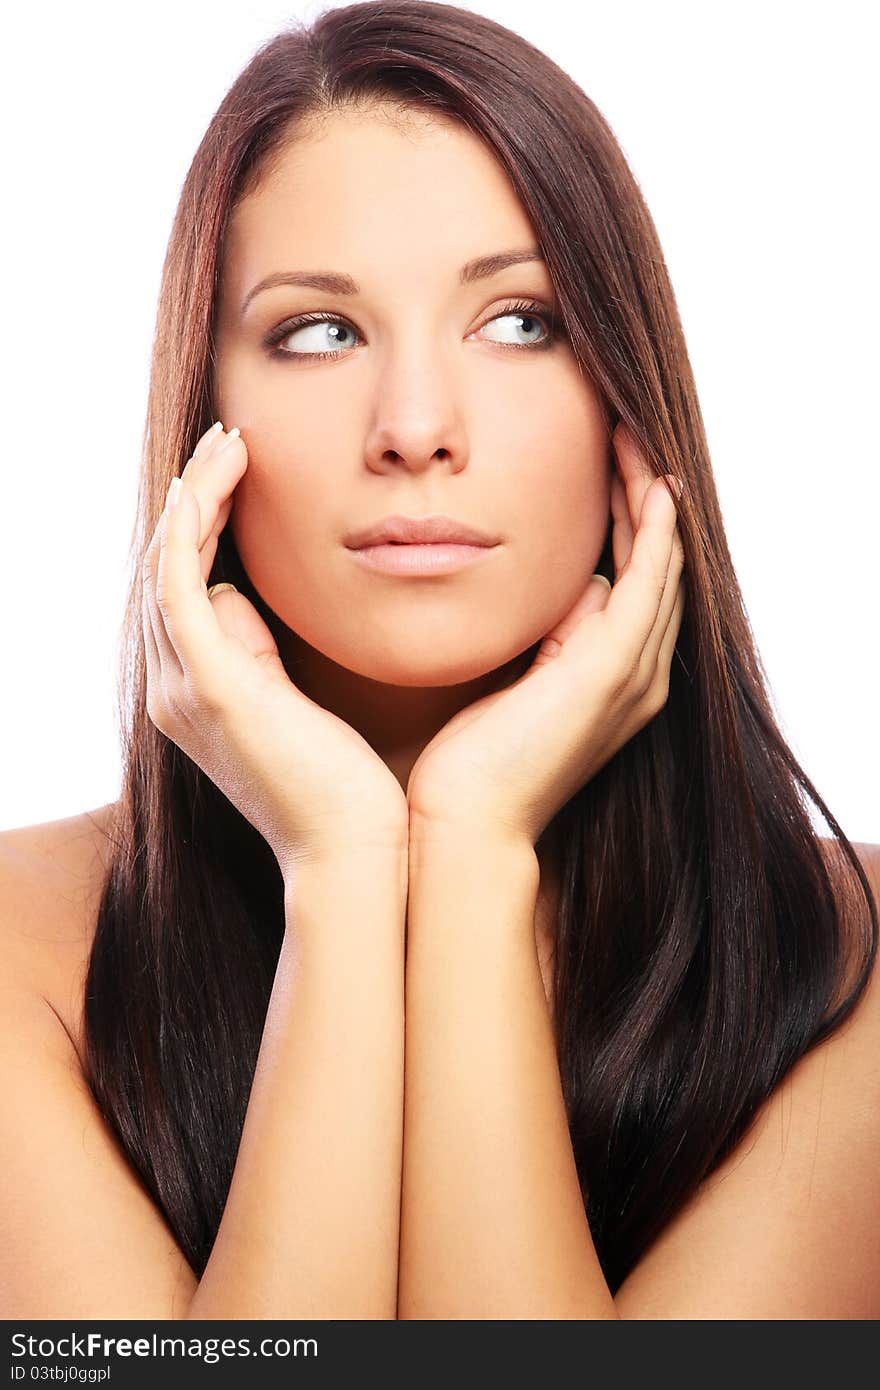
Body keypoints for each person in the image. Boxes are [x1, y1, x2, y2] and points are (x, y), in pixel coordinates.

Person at [1, 0, 877, 1321]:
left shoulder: (849, 962)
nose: (416, 427)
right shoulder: (20, 951)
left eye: (521, 320)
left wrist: (471, 849)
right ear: (204, 420)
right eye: (318, 331)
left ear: (627, 399)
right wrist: (344, 868)